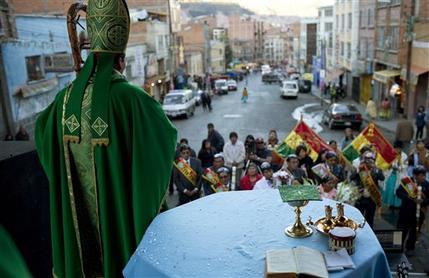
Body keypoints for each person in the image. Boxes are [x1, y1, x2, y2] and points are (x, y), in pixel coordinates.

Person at [34, 1, 177, 276]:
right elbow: (164, 138)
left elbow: (42, 133)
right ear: (121, 60)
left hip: (77, 230)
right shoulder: (133, 99)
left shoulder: (63, 100)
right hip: (118, 221)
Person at [396, 166, 429, 255]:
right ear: (414, 175)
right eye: (420, 175)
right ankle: (396, 247)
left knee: (414, 232)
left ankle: (410, 248)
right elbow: (398, 192)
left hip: (419, 213)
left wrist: (423, 201)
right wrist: (410, 198)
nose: (423, 178)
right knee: (401, 230)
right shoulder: (406, 182)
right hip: (406, 211)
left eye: (424, 175)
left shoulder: (426, 184)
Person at [350, 152, 385, 227]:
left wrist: (376, 168)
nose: (369, 162)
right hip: (360, 196)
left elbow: (382, 178)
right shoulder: (360, 169)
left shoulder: (377, 170)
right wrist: (358, 170)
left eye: (371, 160)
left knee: (370, 219)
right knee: (358, 217)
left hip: (372, 197)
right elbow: (351, 177)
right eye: (367, 160)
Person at [382, 141, 407, 209]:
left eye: (398, 149)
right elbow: (386, 163)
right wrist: (390, 166)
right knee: (390, 189)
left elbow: (405, 166)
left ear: (401, 149)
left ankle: (395, 205)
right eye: (396, 148)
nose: (397, 150)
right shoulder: (390, 153)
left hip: (399, 175)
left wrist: (399, 167)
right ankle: (389, 204)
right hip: (390, 174)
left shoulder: (404, 156)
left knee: (396, 190)